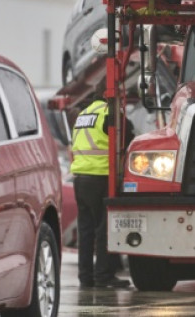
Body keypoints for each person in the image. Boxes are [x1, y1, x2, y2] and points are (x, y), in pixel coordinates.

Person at [70, 94, 132, 289]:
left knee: (86, 230)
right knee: (104, 229)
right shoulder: (107, 113)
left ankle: (85, 277)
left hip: (80, 177)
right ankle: (104, 276)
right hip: (101, 176)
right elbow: (128, 137)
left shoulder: (83, 115)